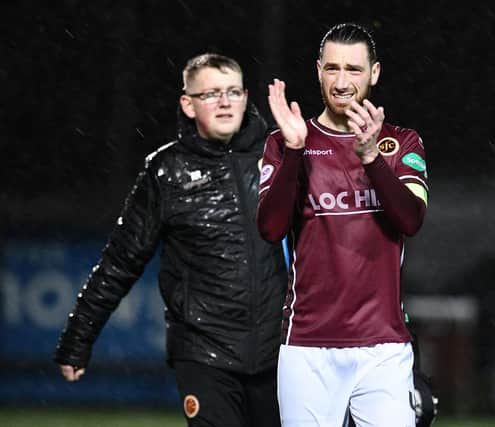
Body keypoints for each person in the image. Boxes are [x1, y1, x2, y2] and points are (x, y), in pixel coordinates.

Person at [54, 53, 288, 427]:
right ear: (188, 104)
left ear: (246, 97)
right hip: (204, 353)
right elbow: (120, 261)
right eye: (211, 93)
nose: (225, 102)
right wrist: (78, 338)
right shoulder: (166, 171)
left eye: (233, 91)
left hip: (280, 353)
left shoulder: (279, 156)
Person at [257, 23, 430, 427]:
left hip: (383, 345)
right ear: (318, 71)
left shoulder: (401, 142)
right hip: (307, 345)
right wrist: (295, 151)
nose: (341, 81)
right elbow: (270, 229)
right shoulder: (285, 141)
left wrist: (371, 158)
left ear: (374, 73)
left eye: (353, 69)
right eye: (332, 68)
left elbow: (410, 219)